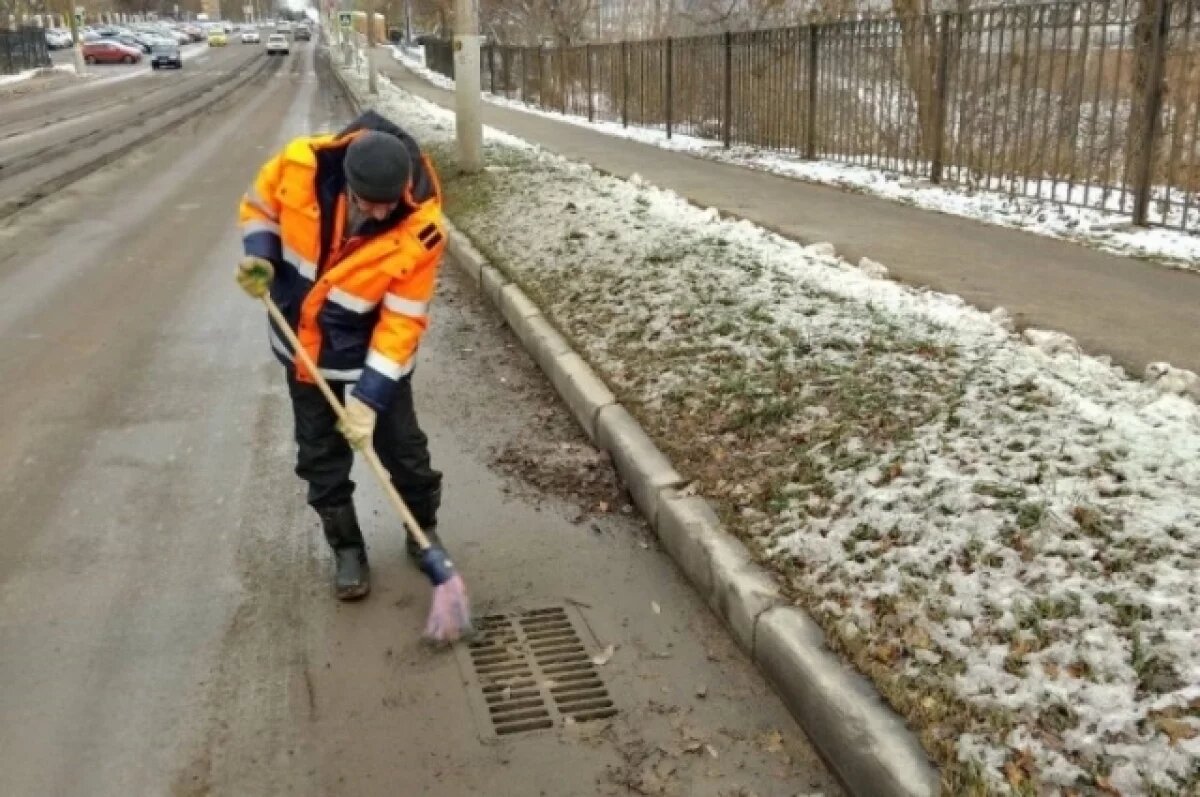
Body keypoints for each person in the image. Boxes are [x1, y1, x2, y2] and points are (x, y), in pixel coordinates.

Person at [235, 110, 446, 601]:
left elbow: (402, 321)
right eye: (367, 204)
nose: (377, 214)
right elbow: (259, 207)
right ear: (347, 183)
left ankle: (423, 531)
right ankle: (346, 548)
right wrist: (261, 255)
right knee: (320, 456)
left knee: (406, 452)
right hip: (303, 344)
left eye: (387, 205)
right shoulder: (297, 166)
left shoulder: (422, 230)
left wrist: (369, 399)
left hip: (372, 346)